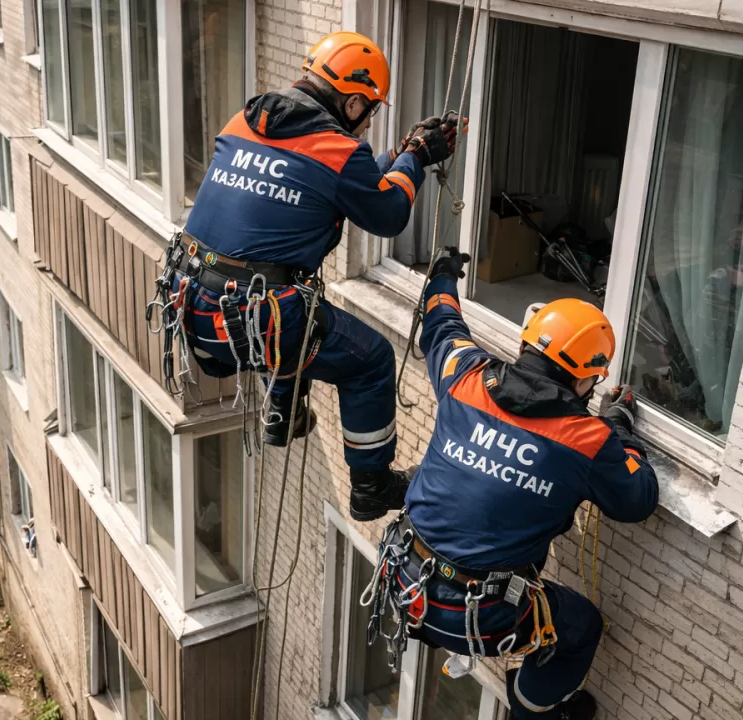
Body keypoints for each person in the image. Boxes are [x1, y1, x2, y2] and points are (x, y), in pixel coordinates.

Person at [170, 31, 458, 522]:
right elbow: (387, 212)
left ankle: (282, 409)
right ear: (350, 103)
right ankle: (371, 486)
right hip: (256, 320)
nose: (366, 125)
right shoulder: (337, 151)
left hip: (196, 308)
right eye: (368, 113)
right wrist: (418, 156)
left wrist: (402, 152)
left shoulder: (243, 122)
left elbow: (342, 181)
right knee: (370, 360)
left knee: (301, 317)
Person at [379, 248, 658, 719]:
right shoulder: (587, 441)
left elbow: (442, 326)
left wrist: (443, 277)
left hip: (406, 583)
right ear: (587, 378)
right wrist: (621, 428)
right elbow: (638, 498)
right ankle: (531, 709)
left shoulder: (466, 376)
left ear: (527, 343)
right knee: (582, 626)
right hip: (482, 615)